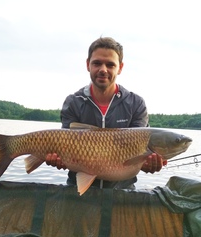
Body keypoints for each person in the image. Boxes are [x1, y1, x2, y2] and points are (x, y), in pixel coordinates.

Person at [46, 37, 167, 189]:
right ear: (87, 65)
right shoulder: (73, 102)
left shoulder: (136, 103)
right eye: (97, 63)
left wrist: (147, 164)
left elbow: (138, 158)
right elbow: (64, 145)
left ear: (120, 68)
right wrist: (59, 159)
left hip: (122, 191)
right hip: (78, 189)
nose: (103, 69)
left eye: (110, 64)